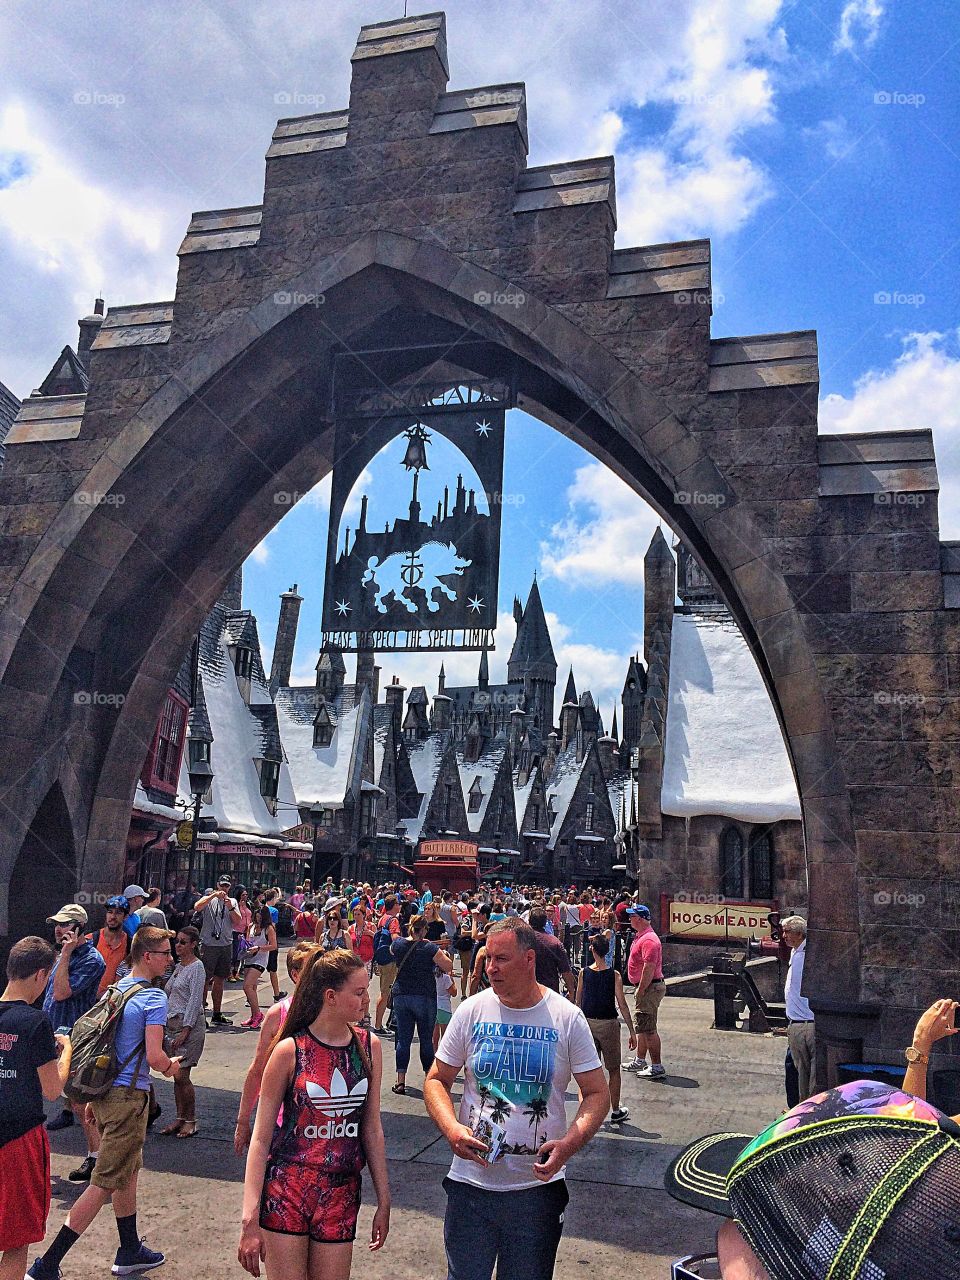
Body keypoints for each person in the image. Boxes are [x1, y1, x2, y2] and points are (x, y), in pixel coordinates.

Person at [424, 918, 609, 1280]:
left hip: (536, 1193)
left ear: (529, 960)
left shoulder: (566, 1018)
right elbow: (436, 1080)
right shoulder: (471, 1010)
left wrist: (570, 1143)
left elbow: (597, 1093)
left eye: (501, 959)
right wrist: (451, 1129)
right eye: (487, 958)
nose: (490, 968)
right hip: (470, 1187)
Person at [27, 926, 182, 1280]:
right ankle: (47, 1264)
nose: (169, 959)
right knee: (104, 1183)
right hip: (130, 1099)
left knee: (127, 1170)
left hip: (105, 1093)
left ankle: (130, 1249)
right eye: (164, 953)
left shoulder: (119, 988)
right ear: (148, 956)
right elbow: (156, 1057)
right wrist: (173, 1068)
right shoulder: (154, 998)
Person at [238, 950, 390, 1279]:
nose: (367, 1000)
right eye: (360, 992)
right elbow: (261, 1138)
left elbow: (372, 1129)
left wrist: (384, 1198)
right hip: (287, 1190)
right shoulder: (289, 1050)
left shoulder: (369, 1047)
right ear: (331, 997)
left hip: (341, 1194)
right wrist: (249, 1216)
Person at [0, 938, 73, 1280]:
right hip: (19, 1139)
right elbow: (53, 1089)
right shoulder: (35, 1023)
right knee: (16, 1239)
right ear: (42, 975)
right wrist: (67, 1050)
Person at [234, 941, 319, 1155]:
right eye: (313, 969)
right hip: (283, 1122)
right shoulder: (278, 1014)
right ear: (295, 975)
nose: (321, 976)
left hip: (325, 1124)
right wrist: (243, 1121)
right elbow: (257, 1070)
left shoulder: (335, 1011)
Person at [42, 903, 106, 1168]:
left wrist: (66, 954)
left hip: (72, 1037)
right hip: (53, 1032)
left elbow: (61, 993)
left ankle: (97, 1157)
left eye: (65, 924)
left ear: (80, 928)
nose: (58, 929)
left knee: (81, 1103)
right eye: (57, 924)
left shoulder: (91, 960)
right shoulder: (62, 956)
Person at [576, 933, 637, 1124]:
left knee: (587, 1069)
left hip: (587, 1023)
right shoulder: (615, 975)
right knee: (613, 1069)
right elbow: (622, 1004)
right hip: (609, 1024)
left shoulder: (584, 973)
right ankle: (616, 1109)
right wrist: (632, 1031)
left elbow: (577, 1003)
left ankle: (585, 1111)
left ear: (592, 950)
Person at [389, 915, 454, 1096]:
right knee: (426, 1040)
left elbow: (392, 950)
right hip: (424, 996)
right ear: (424, 929)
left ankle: (400, 1081)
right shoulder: (429, 947)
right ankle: (428, 1079)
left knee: (403, 1039)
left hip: (402, 995)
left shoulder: (399, 945)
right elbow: (447, 965)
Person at [158, 926, 206, 1138]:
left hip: (189, 1027)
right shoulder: (178, 966)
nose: (178, 945)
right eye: (177, 941)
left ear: (194, 944)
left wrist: (186, 1030)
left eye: (183, 942)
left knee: (182, 1075)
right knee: (176, 1076)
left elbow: (195, 1001)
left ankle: (191, 1120)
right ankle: (180, 1117)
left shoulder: (197, 967)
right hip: (172, 1025)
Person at [623, 904, 667, 1079]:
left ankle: (657, 1066)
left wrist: (641, 989)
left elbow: (649, 967)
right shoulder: (642, 936)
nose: (629, 919)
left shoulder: (648, 940)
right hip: (647, 987)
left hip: (649, 987)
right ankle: (640, 1060)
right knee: (642, 1025)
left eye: (632, 916)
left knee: (649, 1029)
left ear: (640, 919)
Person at [195, 877, 243, 1025]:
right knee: (204, 980)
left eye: (227, 886)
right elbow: (197, 907)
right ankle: (201, 1014)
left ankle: (217, 1012)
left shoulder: (233, 901)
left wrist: (230, 907)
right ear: (217, 885)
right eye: (222, 885)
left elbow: (238, 921)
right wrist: (213, 896)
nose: (224, 889)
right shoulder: (209, 898)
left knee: (220, 979)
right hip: (209, 944)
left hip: (225, 944)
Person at [781, 915, 816, 1100]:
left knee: (803, 1074)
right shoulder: (797, 953)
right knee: (796, 1070)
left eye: (788, 932)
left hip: (803, 1024)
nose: (784, 935)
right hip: (797, 1021)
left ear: (799, 934)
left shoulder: (804, 957)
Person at [242, 902, 278, 1031]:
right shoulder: (251, 926)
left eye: (260, 916)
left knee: (247, 985)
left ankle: (258, 1014)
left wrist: (259, 948)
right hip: (249, 958)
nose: (258, 919)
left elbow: (274, 946)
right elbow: (247, 941)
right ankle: (253, 1015)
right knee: (252, 988)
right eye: (257, 916)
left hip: (261, 959)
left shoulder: (268, 928)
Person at [527, 909, 576, 999]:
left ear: (529, 921)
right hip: (549, 992)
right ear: (545, 922)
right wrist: (571, 992)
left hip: (525, 990)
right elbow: (566, 971)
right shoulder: (554, 942)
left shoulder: (521, 941)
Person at [373, 895, 402, 1033]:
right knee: (385, 993)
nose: (400, 905)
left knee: (385, 992)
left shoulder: (383, 918)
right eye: (398, 903)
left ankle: (381, 1024)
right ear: (394, 905)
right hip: (390, 960)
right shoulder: (394, 920)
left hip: (381, 958)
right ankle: (378, 1026)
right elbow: (395, 939)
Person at [433, 963, 457, 1052]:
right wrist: (452, 979)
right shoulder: (446, 978)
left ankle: (434, 1055)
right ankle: (443, 1056)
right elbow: (454, 993)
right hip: (444, 1008)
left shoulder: (432, 976)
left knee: (434, 1037)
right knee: (445, 1036)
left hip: (434, 1006)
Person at [231, 886, 253, 982]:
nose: (245, 896)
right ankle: (230, 973)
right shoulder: (235, 904)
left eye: (246, 895)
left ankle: (237, 972)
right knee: (235, 953)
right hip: (236, 931)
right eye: (243, 894)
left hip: (245, 931)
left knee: (241, 953)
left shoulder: (247, 904)